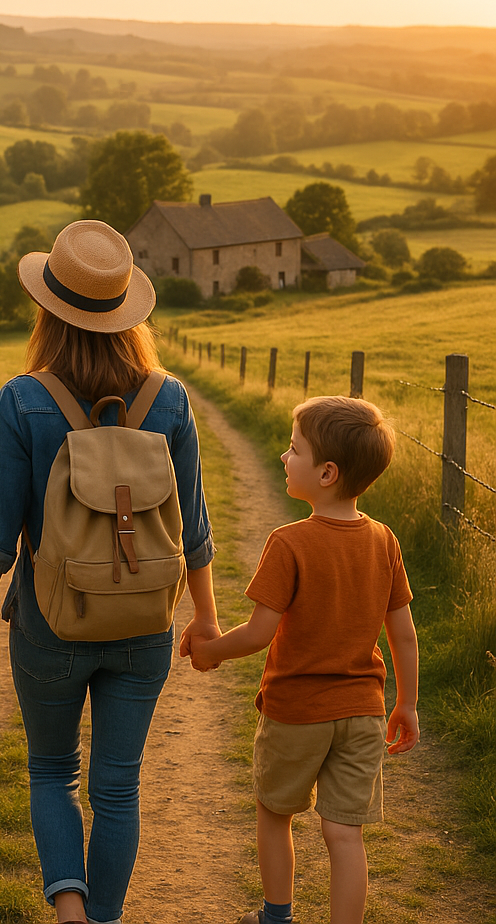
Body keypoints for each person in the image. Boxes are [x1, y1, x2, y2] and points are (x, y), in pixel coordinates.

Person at [0, 220, 219, 924]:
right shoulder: (172, 398)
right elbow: (193, 529)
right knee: (118, 787)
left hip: (49, 624)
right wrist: (208, 620)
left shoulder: (23, 399)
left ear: (48, 310)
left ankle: (69, 908)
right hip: (144, 624)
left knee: (50, 772)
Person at [189, 395, 419, 924]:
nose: (283, 456)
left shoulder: (289, 543)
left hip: (296, 712)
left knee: (274, 814)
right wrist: (405, 702)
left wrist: (209, 652)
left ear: (327, 473)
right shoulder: (384, 540)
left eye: (293, 450)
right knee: (344, 832)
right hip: (363, 712)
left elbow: (258, 633)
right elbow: (402, 634)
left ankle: (276, 917)